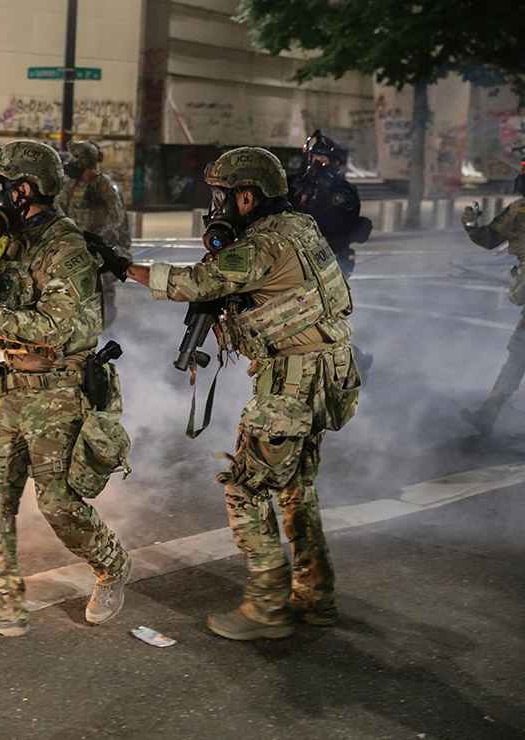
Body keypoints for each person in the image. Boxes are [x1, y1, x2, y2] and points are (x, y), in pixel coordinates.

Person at [127, 147, 360, 640]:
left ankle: (268, 605)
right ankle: (316, 595)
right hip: (328, 375)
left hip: (291, 382)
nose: (218, 205)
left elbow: (196, 282)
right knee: (296, 487)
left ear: (247, 197)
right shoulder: (299, 226)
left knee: (246, 486)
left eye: (223, 196)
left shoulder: (261, 247)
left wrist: (125, 267)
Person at [0, 140, 132, 640]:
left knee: (60, 505)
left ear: (24, 189)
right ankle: (2, 602)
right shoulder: (11, 240)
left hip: (58, 393)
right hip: (10, 391)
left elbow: (59, 326)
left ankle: (112, 566)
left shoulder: (65, 247)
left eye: (0, 183)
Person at [291, 130, 373, 372]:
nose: (317, 162)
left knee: (321, 319)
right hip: (297, 260)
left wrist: (324, 188)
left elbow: (340, 222)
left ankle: (350, 360)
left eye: (323, 158)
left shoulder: (342, 191)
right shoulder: (297, 184)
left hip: (330, 261)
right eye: (314, 156)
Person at [459, 181, 525, 436]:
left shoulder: (519, 211)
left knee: (518, 357)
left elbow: (488, 239)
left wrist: (470, 223)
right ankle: (488, 414)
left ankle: (488, 414)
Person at [57, 140, 131, 326]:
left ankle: (105, 329)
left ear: (85, 161)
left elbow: (117, 218)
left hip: (102, 248)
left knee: (102, 289)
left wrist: (97, 239)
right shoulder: (72, 185)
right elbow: (60, 210)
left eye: (75, 159)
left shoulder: (104, 185)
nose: (70, 163)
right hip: (78, 246)